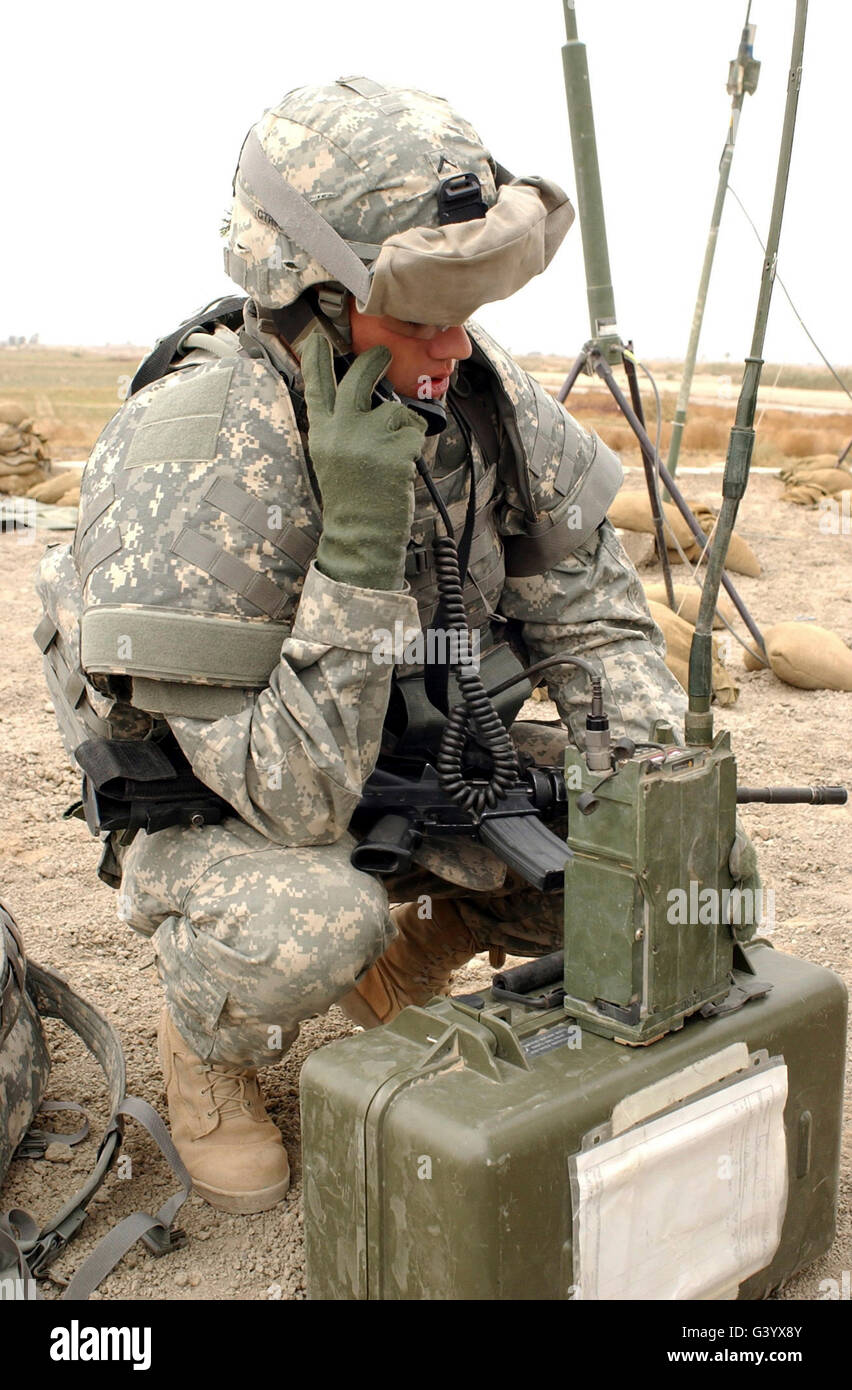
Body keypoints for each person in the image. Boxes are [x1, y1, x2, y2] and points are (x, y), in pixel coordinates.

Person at [36, 77, 755, 1215]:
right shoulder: (197, 452)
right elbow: (294, 800)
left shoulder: (482, 399)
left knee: (672, 880)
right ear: (309, 298)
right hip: (233, 814)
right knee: (313, 921)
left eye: (462, 314)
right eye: (417, 318)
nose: (451, 348)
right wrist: (357, 551)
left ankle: (404, 956)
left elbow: (600, 620)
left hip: (413, 765)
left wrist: (655, 801)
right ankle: (205, 1043)